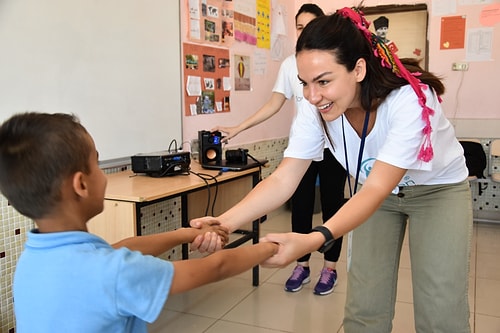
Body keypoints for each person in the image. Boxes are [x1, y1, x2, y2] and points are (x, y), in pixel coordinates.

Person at [192, 6, 472, 333]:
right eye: (305, 83)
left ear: (358, 69)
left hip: (436, 192)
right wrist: (224, 222)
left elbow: (377, 188)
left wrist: (314, 238)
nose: (312, 96)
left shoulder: (409, 100)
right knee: (364, 306)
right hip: (374, 196)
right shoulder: (317, 109)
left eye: (324, 81)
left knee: (440, 310)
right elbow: (285, 178)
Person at [0, 112, 278, 333]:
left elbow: (122, 248)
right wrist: (269, 247)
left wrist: (183, 234)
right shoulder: (113, 273)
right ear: (81, 184)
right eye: (97, 164)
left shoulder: (33, 259)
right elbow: (216, 266)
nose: (104, 175)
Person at [213, 3, 346, 296]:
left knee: (333, 207)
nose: (313, 93)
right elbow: (274, 104)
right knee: (299, 208)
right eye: (299, 27)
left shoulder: (338, 65)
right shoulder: (290, 67)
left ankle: (330, 267)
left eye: (310, 26)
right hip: (304, 145)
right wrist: (238, 128)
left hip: (335, 148)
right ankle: (302, 263)